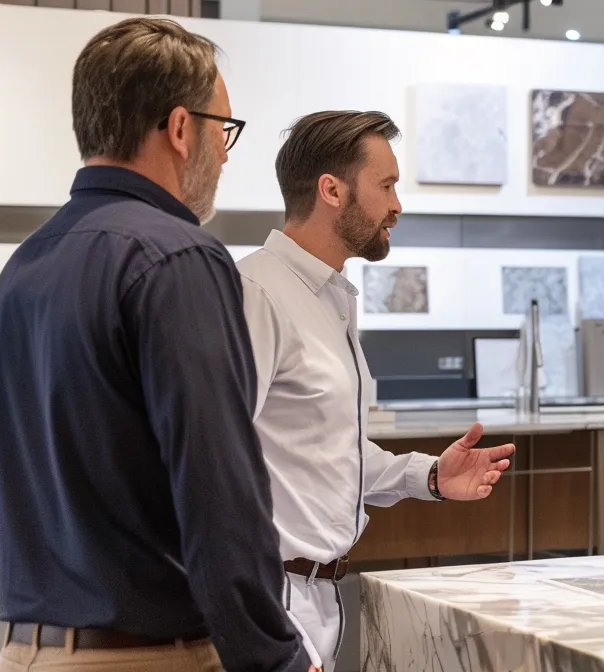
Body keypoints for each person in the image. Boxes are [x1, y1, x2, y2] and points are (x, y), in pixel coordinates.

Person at [0, 17, 313, 672]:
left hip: (25, 654)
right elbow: (220, 495)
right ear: (182, 130)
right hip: (146, 656)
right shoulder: (177, 258)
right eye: (224, 130)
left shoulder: (22, 268)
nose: (224, 152)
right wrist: (279, 660)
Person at [239, 110, 515, 668]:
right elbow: (212, 467)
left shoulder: (327, 297)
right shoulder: (256, 294)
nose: (397, 205)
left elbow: (328, 451)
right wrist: (271, 635)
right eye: (386, 185)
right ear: (331, 190)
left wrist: (430, 475)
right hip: (271, 603)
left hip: (317, 597)